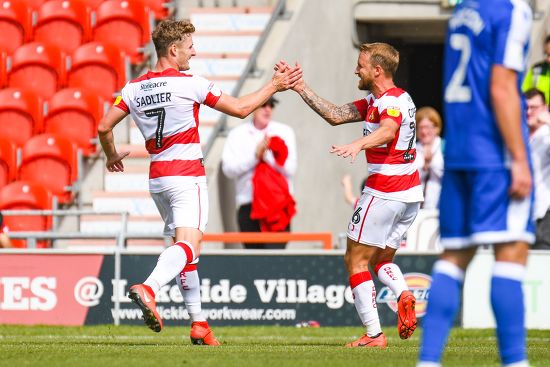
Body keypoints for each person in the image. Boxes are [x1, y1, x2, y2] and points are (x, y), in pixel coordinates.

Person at [97, 19, 301, 345]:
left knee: (186, 251)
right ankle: (149, 288)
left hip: (158, 180)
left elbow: (104, 127)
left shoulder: (133, 89)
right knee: (188, 246)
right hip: (187, 176)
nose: (194, 52)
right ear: (173, 49)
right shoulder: (190, 83)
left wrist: (110, 156)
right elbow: (240, 108)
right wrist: (273, 86)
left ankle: (199, 324)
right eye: (190, 47)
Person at [281, 42, 423, 348]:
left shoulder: (391, 101)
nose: (355, 70)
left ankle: (374, 335)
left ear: (377, 70)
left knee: (354, 260)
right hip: (410, 193)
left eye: (360, 65)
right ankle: (403, 294)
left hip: (385, 191)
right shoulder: (379, 100)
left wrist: (358, 145)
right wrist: (300, 86)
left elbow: (388, 129)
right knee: (382, 259)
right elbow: (334, 114)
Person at [417, 1, 534, 366]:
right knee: (511, 252)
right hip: (494, 153)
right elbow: (501, 88)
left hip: (461, 151)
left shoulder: (463, 10)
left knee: (454, 257)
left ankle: (428, 360)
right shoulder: (512, 11)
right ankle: (516, 361)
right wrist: (518, 157)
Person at [221, 96, 297, 249]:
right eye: (264, 105)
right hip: (248, 206)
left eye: (271, 105)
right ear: (254, 107)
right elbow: (228, 170)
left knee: (276, 262)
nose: (268, 109)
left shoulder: (284, 131)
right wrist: (255, 156)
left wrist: (267, 155)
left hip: (277, 207)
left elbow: (290, 168)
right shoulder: (237, 134)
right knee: (253, 262)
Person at [525, 88, 550, 249]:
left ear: (545, 108)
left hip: (544, 214)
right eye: (525, 107)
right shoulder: (520, 136)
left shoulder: (547, 135)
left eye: (534, 107)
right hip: (523, 215)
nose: (529, 112)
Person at [414, 107, 444, 209]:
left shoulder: (444, 148)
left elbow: (451, 178)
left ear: (436, 128)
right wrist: (424, 167)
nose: (424, 131)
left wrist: (431, 164)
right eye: (420, 127)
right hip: (418, 207)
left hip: (440, 205)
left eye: (427, 127)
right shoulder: (413, 150)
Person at [522, 35, 550, 106]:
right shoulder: (536, 69)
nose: (548, 59)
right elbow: (524, 92)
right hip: (536, 113)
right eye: (547, 54)